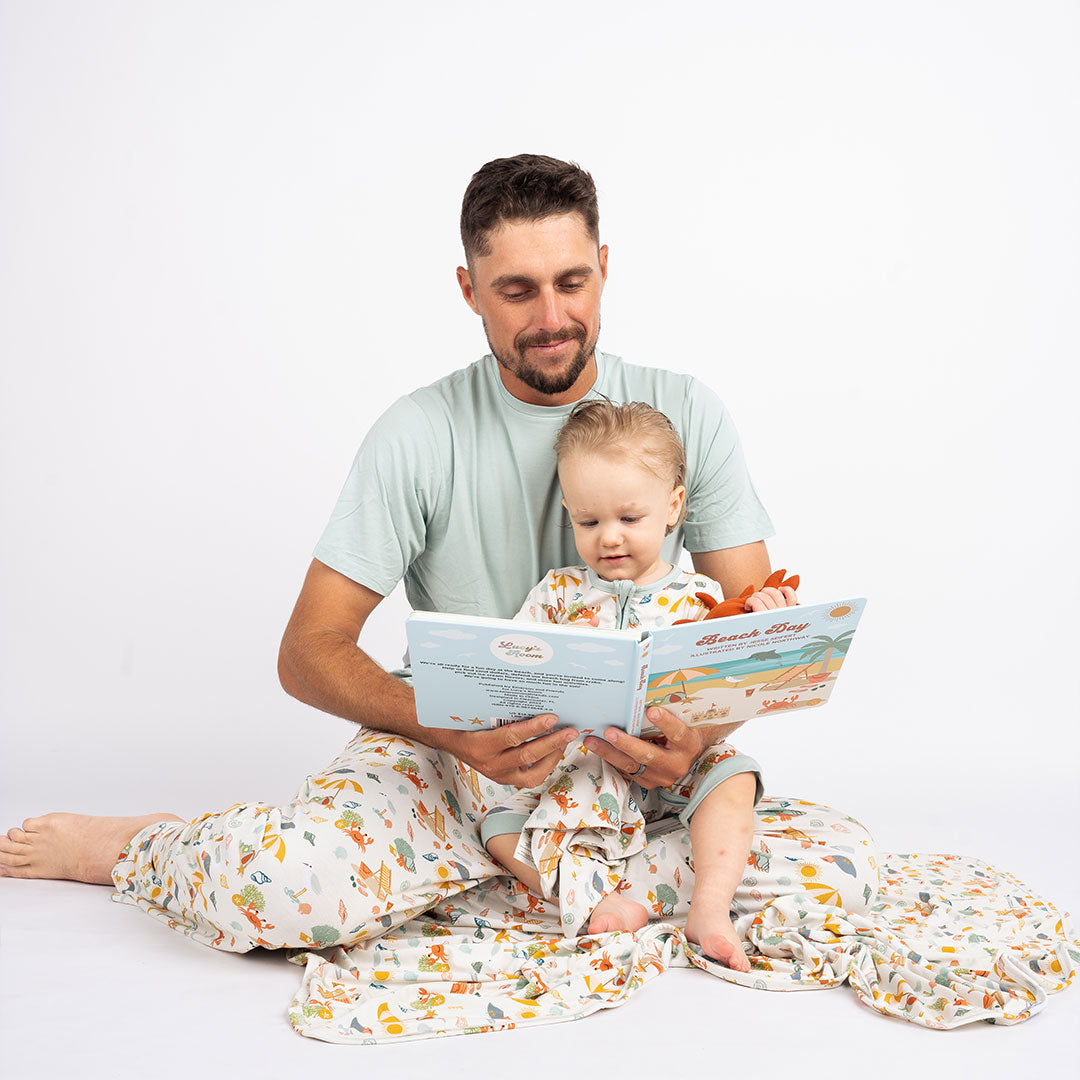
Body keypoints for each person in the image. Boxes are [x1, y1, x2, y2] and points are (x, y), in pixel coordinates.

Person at [0, 155, 877, 954]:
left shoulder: (687, 411)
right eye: (516, 290)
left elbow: (756, 631)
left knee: (839, 867)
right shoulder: (419, 433)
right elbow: (307, 651)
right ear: (468, 289)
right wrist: (439, 724)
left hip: (627, 780)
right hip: (452, 753)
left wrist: (699, 736)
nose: (552, 318)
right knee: (275, 891)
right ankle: (146, 845)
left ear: (605, 268)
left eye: (572, 282)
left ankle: (514, 885)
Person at [481, 399, 798, 969]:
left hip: (672, 769)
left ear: (673, 506)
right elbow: (512, 671)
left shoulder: (700, 600)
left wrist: (768, 614)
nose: (608, 538)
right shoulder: (557, 595)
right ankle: (602, 897)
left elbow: (743, 675)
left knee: (734, 777)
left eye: (629, 519)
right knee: (499, 828)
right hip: (583, 769)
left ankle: (707, 905)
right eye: (588, 521)